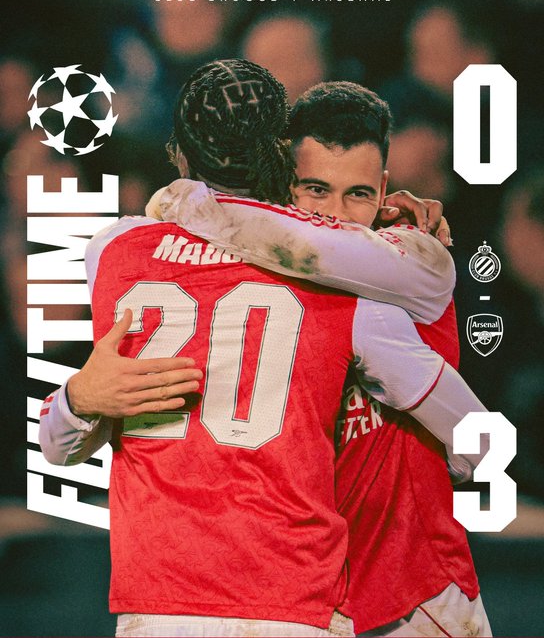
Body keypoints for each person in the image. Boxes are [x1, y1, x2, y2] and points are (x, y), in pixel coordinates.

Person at [40, 62, 489, 637]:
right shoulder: (361, 289)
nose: (332, 214)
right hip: (298, 601)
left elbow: (55, 448)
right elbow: (479, 436)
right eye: (316, 189)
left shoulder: (115, 251)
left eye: (357, 194)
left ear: (178, 156)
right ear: (281, 163)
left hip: (199, 601)